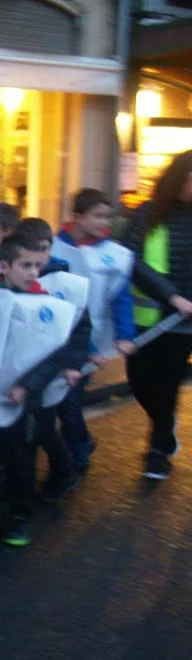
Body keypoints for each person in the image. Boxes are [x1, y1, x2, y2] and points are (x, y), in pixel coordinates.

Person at [0, 233, 76, 546]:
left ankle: (19, 514)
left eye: (36, 266)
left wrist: (28, 386)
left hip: (24, 399)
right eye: (25, 265)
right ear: (4, 266)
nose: (33, 272)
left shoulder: (47, 304)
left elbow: (55, 354)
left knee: (21, 459)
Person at [51, 189, 137, 475]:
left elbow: (120, 297)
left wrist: (125, 335)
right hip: (54, 339)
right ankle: (80, 443)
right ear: (78, 217)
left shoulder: (114, 256)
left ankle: (75, 454)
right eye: (97, 216)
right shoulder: (53, 249)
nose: (104, 222)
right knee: (61, 401)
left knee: (69, 400)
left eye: (107, 216)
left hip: (90, 341)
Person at [124, 149, 192, 480]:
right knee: (139, 380)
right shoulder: (147, 214)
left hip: (184, 325)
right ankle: (164, 425)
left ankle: (158, 449)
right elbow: (130, 260)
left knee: (166, 384)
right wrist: (170, 295)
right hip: (146, 319)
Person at [16, 218, 92, 502]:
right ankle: (58, 472)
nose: (39, 257)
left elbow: (81, 327)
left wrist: (73, 364)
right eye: (32, 249)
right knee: (37, 428)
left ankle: (59, 473)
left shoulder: (67, 285)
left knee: (41, 427)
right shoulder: (16, 278)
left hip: (52, 368)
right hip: (23, 366)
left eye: (44, 249)